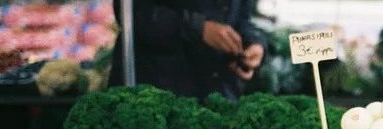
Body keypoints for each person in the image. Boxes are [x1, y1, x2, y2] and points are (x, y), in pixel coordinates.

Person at [109, 0, 266, 101]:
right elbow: (134, 12)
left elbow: (242, 17)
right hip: (159, 90)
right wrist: (198, 29)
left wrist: (252, 43)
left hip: (218, 92)